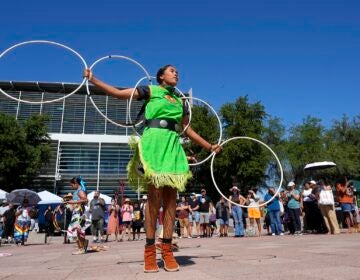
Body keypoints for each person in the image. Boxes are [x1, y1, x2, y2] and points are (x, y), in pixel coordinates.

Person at [84, 64, 220, 272]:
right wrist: (94, 79)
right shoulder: (151, 91)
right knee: (154, 198)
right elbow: (120, 94)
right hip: (154, 144)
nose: (176, 73)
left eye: (177, 71)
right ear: (161, 76)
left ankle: (166, 248)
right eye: (171, 70)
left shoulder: (180, 100)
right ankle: (149, 249)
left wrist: (210, 146)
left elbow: (187, 129)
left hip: (173, 146)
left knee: (172, 200)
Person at [66, 176, 89, 255]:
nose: (71, 187)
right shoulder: (77, 191)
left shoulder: (80, 190)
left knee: (75, 231)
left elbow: (85, 199)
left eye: (72, 185)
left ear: (75, 184)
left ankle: (81, 248)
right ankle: (83, 244)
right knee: (77, 231)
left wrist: (73, 202)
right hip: (76, 213)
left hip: (79, 214)